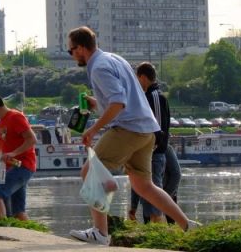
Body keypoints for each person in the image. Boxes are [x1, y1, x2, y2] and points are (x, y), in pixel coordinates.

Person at [66, 26, 199, 246]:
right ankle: (187, 225)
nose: (71, 56)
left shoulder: (98, 67)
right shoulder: (114, 58)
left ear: (80, 48)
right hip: (147, 131)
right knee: (144, 186)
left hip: (128, 129)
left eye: (71, 51)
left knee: (90, 171)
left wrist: (93, 129)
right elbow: (123, 99)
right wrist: (96, 104)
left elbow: (119, 103)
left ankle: (100, 232)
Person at [129, 62, 182, 224]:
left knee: (152, 183)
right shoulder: (150, 96)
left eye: (138, 79)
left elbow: (157, 128)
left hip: (155, 149)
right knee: (148, 183)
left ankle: (162, 207)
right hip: (153, 149)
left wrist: (153, 146)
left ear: (143, 78)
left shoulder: (154, 97)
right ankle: (161, 209)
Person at [0, 93, 37, 221]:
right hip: (13, 168)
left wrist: (13, 153)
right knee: (19, 210)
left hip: (23, 166)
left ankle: (3, 227)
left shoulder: (15, 117)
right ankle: (30, 232)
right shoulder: (1, 123)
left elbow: (32, 139)